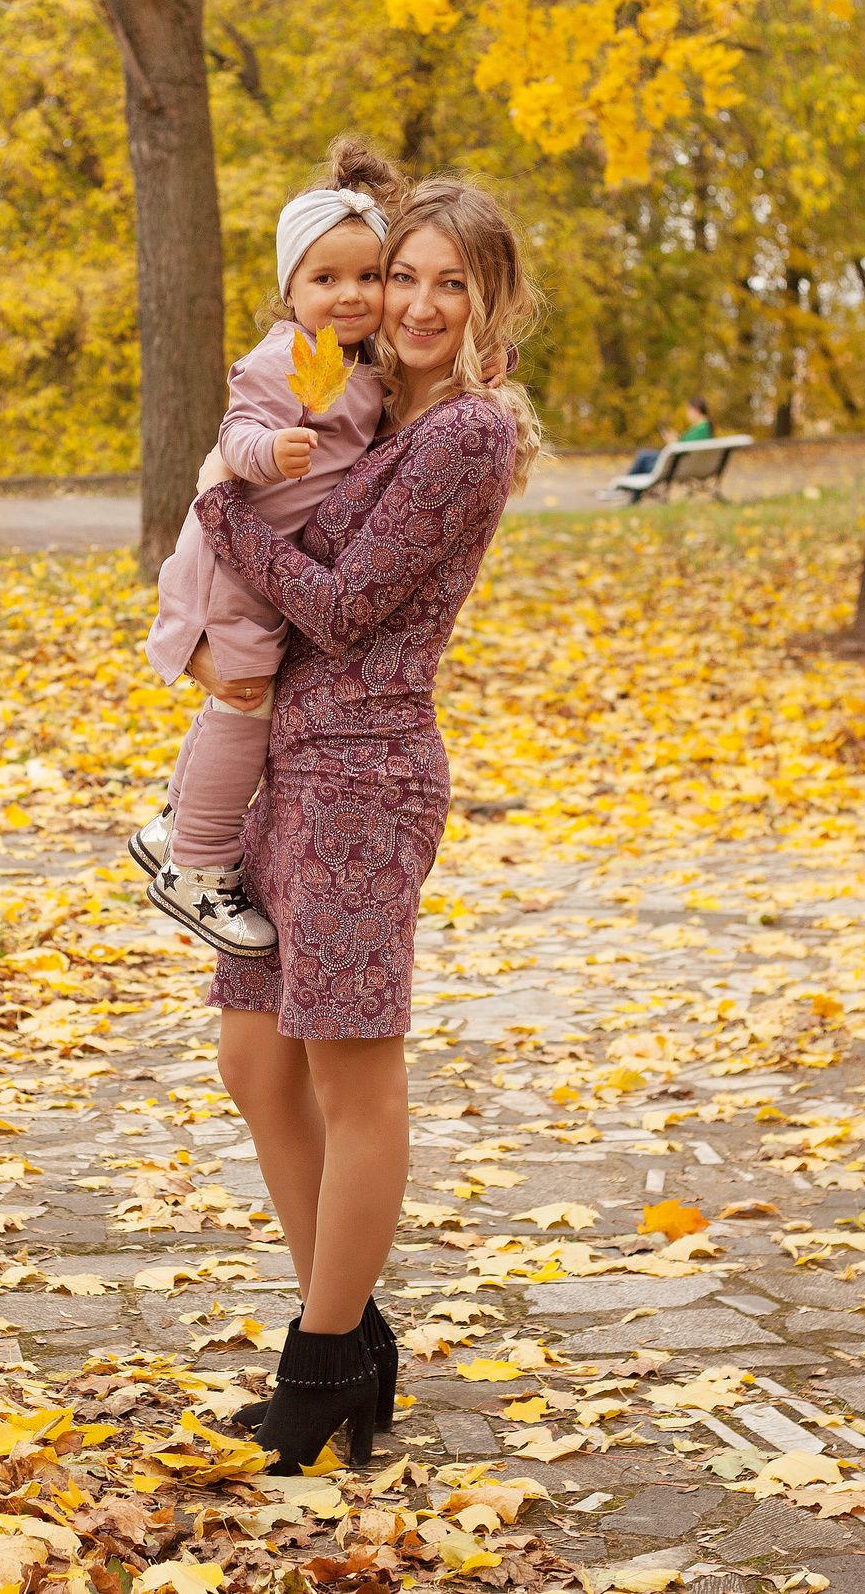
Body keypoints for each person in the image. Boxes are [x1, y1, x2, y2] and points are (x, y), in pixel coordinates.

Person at [180, 176, 541, 1475]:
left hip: (365, 776)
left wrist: (221, 509)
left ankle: (321, 1359)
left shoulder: (468, 437)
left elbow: (340, 606)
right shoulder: (379, 411)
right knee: (255, 1061)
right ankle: (354, 1331)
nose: (421, 303)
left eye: (454, 283)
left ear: (493, 300)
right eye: (407, 276)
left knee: (348, 1067)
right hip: (293, 764)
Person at [135, 141, 407, 956]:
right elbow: (236, 430)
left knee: (237, 698)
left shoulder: (358, 366)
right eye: (325, 280)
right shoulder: (284, 357)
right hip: (235, 557)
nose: (349, 294)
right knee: (245, 698)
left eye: (368, 277)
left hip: (268, 562)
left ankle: (179, 818)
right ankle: (200, 868)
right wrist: (270, 453)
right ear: (291, 289)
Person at [618, 396, 713, 481]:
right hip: (686, 465)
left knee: (643, 458)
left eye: (688, 409)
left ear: (695, 410)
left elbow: (684, 450)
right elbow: (689, 445)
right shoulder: (705, 427)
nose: (687, 413)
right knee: (644, 457)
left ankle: (625, 488)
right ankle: (631, 493)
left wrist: (673, 441)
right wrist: (677, 438)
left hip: (679, 466)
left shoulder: (701, 428)